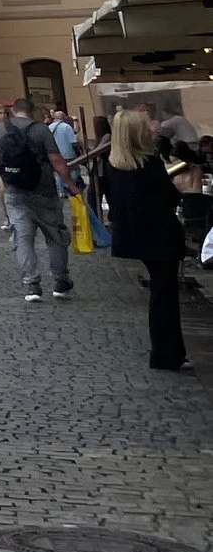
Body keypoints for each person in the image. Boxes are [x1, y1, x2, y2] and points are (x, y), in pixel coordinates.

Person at [101, 108, 187, 373]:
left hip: (135, 236)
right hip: (160, 235)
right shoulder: (148, 164)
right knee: (164, 295)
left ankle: (167, 352)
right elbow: (171, 197)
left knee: (161, 293)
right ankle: (166, 353)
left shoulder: (114, 163)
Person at [0, 97, 75, 302]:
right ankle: (60, 281)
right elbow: (56, 160)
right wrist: (71, 185)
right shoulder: (41, 129)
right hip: (44, 189)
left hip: (14, 190)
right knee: (55, 235)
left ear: (13, 110)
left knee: (23, 238)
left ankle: (32, 285)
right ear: (32, 110)